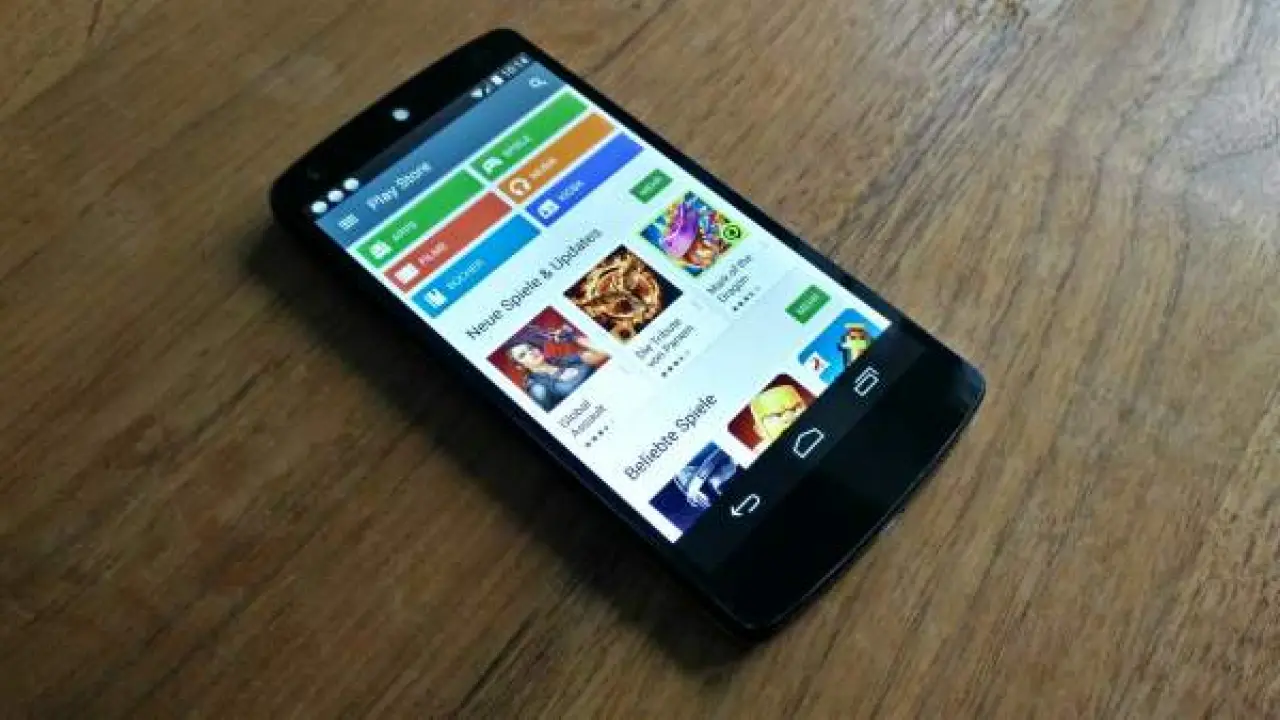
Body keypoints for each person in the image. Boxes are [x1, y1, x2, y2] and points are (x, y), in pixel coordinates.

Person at [507, 330, 608, 411]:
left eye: (530, 348)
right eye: (522, 355)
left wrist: (572, 337)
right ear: (520, 366)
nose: (530, 353)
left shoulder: (563, 360)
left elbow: (604, 352)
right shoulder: (538, 389)